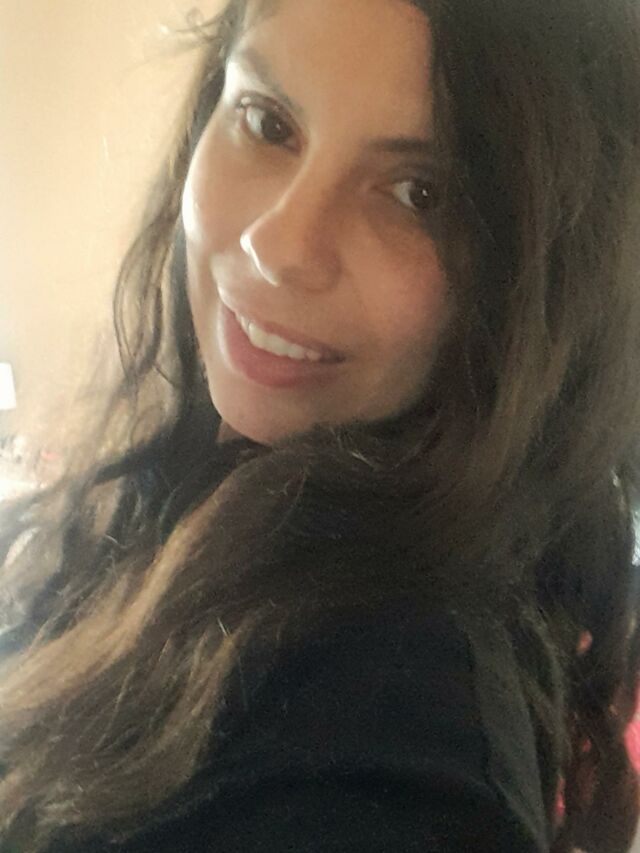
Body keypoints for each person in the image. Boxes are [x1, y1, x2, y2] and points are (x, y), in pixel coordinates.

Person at [0, 0, 639, 849]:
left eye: (418, 193)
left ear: (537, 288)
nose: (278, 245)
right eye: (268, 123)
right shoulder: (195, 466)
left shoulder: (394, 735)